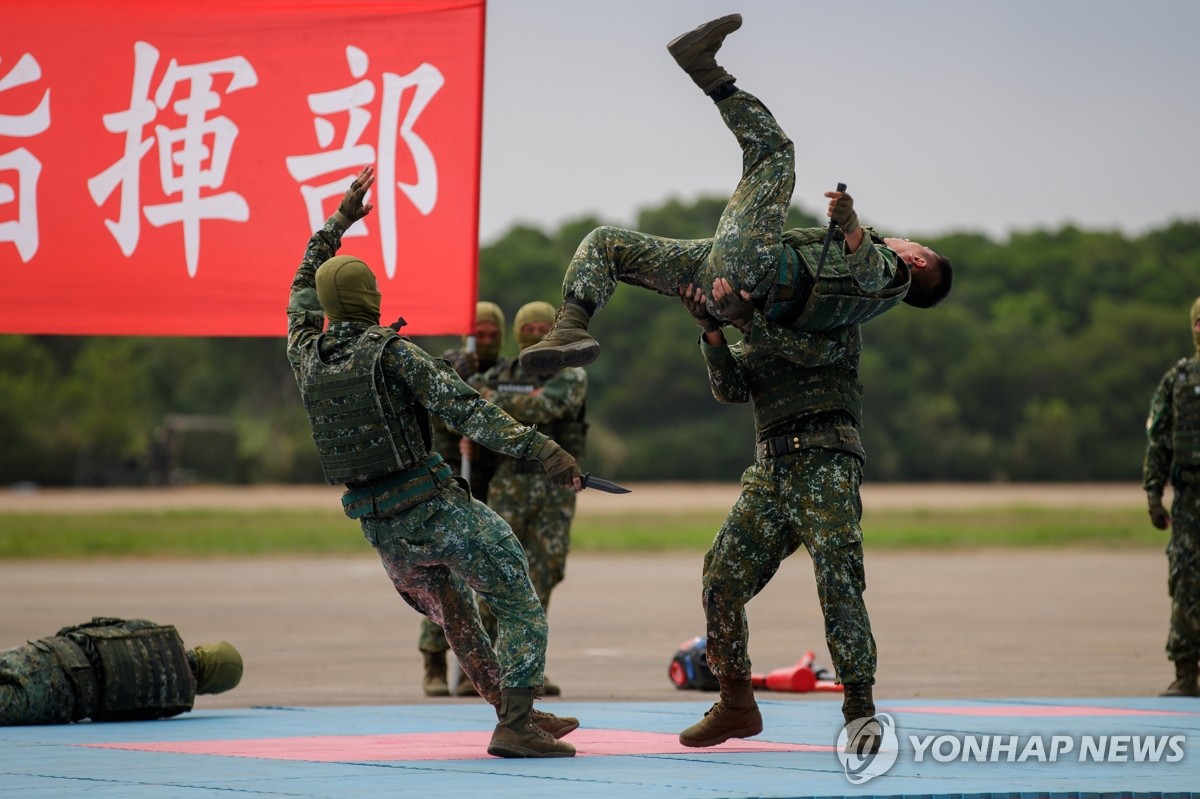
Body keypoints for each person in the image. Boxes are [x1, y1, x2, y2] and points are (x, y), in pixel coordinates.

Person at [286, 165, 582, 758]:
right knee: (517, 595)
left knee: (456, 616)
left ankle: (513, 712)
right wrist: (541, 447)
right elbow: (470, 410)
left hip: (379, 525)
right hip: (430, 506)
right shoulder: (393, 354)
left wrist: (340, 219)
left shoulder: (304, 350)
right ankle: (517, 723)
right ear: (369, 298)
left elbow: (300, 282)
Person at [519, 13, 952, 376]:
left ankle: (704, 67)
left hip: (756, 268)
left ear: (916, 261)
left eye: (921, 247)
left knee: (774, 151)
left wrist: (851, 224)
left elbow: (873, 270)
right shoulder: (852, 316)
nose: (909, 241)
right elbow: (805, 347)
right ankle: (570, 327)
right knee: (607, 243)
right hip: (730, 294)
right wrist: (720, 319)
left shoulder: (892, 277)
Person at [675, 276, 882, 754]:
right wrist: (710, 331)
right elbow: (730, 388)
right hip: (771, 469)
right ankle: (736, 702)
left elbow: (810, 354)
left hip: (826, 463)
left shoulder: (835, 323)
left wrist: (745, 321)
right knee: (721, 580)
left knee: (838, 579)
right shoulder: (756, 336)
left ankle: (859, 711)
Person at [472, 300, 589, 697]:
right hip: (509, 485)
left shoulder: (570, 375)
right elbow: (467, 404)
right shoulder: (498, 373)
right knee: (495, 571)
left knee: (544, 575)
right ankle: (482, 668)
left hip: (554, 488)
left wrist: (494, 399)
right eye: (529, 330)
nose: (537, 337)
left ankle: (526, 670)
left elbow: (546, 406)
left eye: (544, 329)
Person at [418, 301, 506, 697]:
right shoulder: (448, 366)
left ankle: (478, 669)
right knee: (443, 575)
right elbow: (434, 409)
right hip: (449, 477)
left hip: (492, 480)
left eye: (493, 335)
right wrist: (459, 432)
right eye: (479, 334)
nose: (485, 342)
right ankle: (434, 661)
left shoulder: (508, 372)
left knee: (489, 575)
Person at [1, 617, 242, 725]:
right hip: (60, 696)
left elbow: (94, 626)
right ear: (213, 686)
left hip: (49, 652)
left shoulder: (157, 631)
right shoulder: (173, 700)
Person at [1143, 296, 1200, 698]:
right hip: (1190, 500)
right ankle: (1186, 674)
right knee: (1185, 582)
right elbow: (1159, 440)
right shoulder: (1178, 380)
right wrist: (1153, 495)